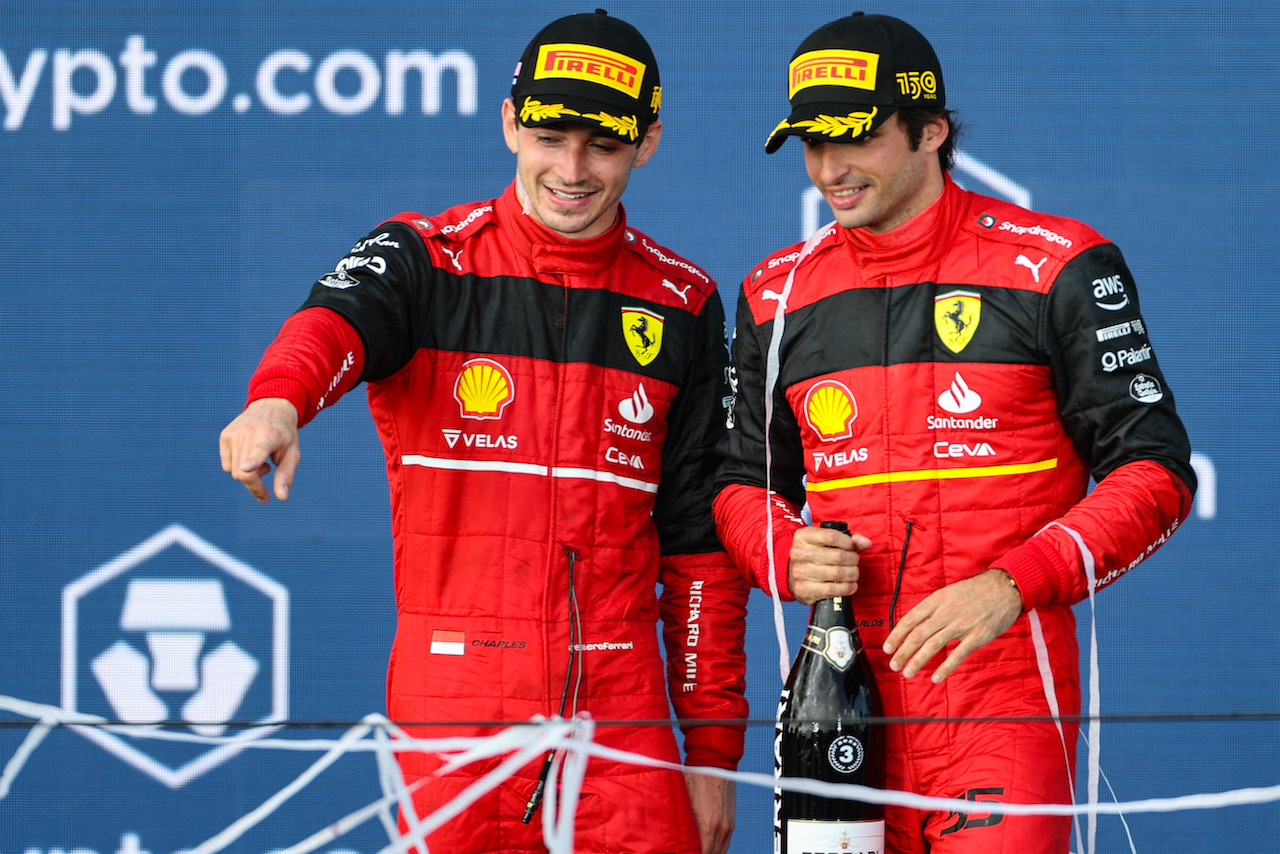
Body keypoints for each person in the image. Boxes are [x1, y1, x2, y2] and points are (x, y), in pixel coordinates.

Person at [219, 11, 748, 854]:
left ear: (646, 143)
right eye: (549, 136)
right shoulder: (427, 260)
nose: (572, 170)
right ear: (508, 124)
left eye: (603, 147)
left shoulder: (681, 301)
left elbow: (697, 550)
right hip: (455, 706)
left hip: (622, 712)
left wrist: (714, 752)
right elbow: (334, 324)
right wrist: (278, 401)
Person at [714, 12, 1195, 854]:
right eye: (810, 143)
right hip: (839, 704)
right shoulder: (775, 294)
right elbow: (733, 481)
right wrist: (775, 547)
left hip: (999, 706)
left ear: (931, 130)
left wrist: (1013, 583)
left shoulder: (1059, 267)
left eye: (855, 137)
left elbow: (1157, 472)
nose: (830, 167)